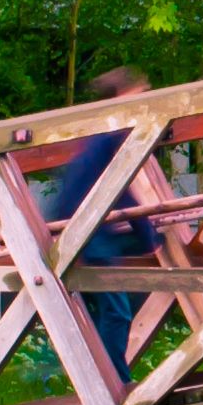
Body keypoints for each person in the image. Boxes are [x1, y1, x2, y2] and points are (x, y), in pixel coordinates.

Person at [45, 66, 153, 381]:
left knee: (107, 305)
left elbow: (116, 192)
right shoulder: (108, 137)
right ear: (120, 98)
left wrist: (147, 235)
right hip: (85, 230)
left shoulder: (103, 137)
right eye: (138, 95)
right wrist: (148, 236)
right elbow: (121, 192)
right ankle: (113, 380)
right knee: (115, 309)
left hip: (86, 228)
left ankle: (103, 375)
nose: (143, 103)